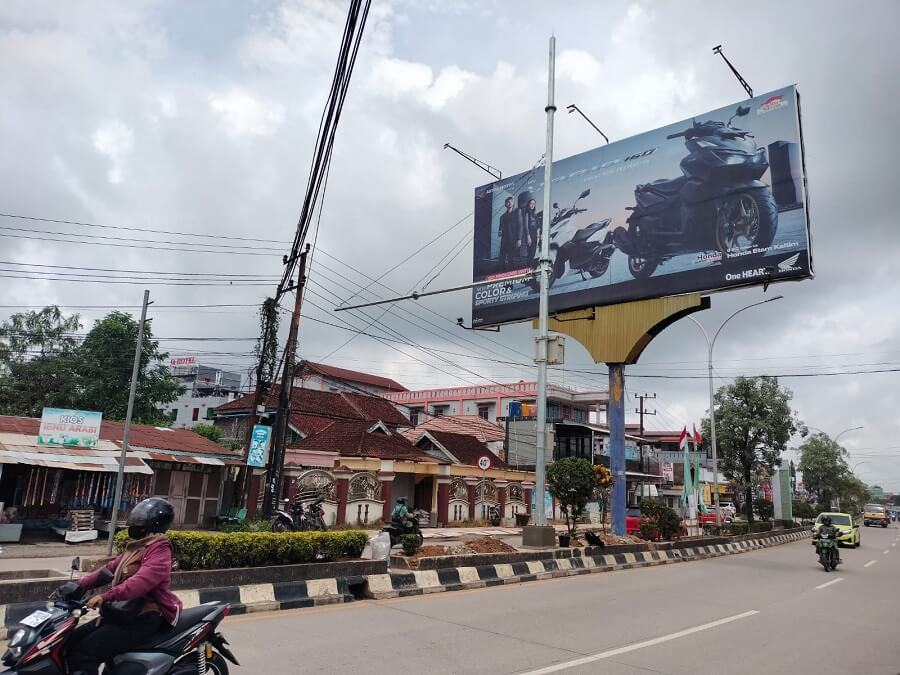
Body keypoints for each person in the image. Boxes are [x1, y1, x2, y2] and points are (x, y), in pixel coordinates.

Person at [67, 498, 182, 675]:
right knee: (70, 640)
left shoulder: (160, 549)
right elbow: (107, 571)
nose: (135, 522)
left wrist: (105, 596)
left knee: (85, 653)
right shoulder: (138, 547)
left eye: (141, 518)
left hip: (141, 618)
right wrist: (76, 585)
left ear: (153, 523)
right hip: (122, 613)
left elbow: (140, 583)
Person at [497, 196, 520, 271]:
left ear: (513, 204)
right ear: (505, 204)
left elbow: (520, 226)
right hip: (504, 241)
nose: (510, 203)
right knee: (501, 260)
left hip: (512, 240)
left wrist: (519, 239)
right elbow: (500, 229)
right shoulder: (502, 217)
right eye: (508, 202)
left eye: (511, 201)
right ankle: (501, 277)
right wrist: (500, 232)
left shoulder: (516, 214)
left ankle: (511, 279)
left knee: (511, 260)